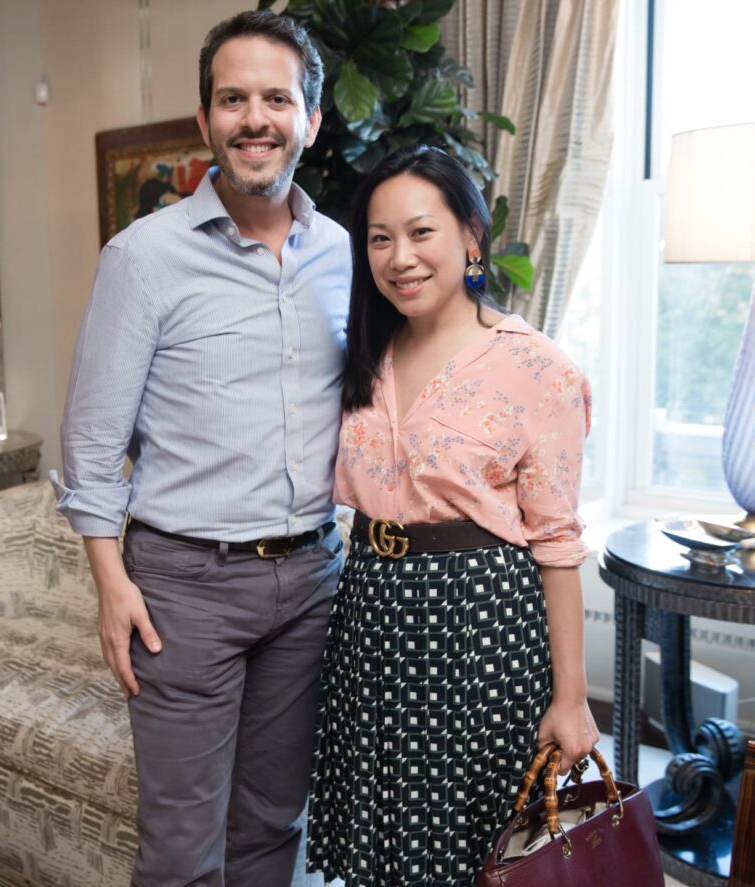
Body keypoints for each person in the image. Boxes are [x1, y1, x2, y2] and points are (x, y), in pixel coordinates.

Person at [50, 11, 351, 886]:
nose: (254, 118)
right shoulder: (142, 259)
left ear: (310, 120)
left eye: (275, 98)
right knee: (183, 850)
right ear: (205, 120)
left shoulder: (341, 254)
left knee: (270, 824)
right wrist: (111, 585)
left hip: (311, 581)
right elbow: (93, 444)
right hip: (184, 589)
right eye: (233, 99)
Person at [306, 145, 599, 885]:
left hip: (480, 630)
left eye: (420, 232)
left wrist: (572, 699)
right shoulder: (362, 356)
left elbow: (557, 545)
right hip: (370, 618)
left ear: (471, 236)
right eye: (379, 238)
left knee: (479, 850)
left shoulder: (539, 370)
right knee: (384, 844)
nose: (399, 257)